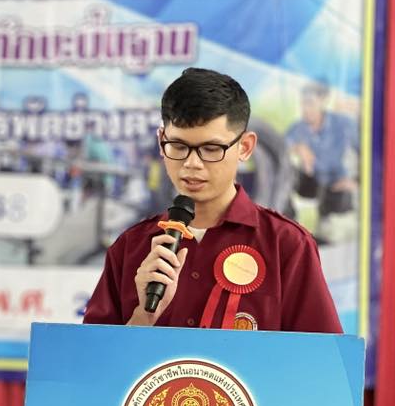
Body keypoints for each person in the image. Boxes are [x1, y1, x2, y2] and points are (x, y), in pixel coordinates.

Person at [83, 68, 342, 334]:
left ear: (245, 147)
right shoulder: (131, 248)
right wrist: (142, 317)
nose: (191, 163)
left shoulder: (286, 245)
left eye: (211, 149)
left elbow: (321, 356)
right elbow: (92, 358)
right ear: (162, 142)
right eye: (178, 146)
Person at [285, 81, 359, 243]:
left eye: (310, 103)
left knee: (333, 233)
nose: (305, 109)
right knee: (284, 174)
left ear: (323, 101)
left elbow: (368, 152)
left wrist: (355, 181)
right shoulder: (297, 129)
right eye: (303, 103)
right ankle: (288, 228)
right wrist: (298, 148)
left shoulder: (344, 125)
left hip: (337, 191)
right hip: (311, 185)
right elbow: (279, 152)